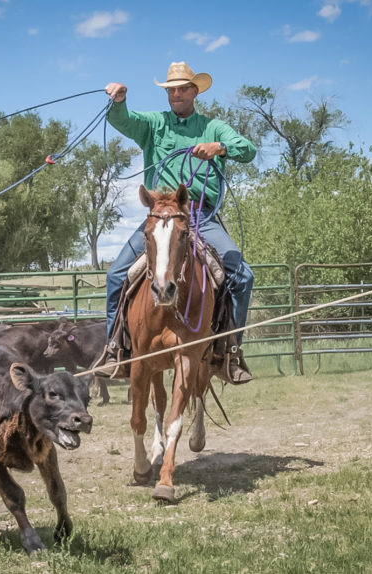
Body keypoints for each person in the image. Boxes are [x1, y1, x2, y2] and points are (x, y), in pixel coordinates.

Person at [93, 61, 257, 384]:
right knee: (115, 275)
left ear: (195, 91)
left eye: (183, 89)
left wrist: (220, 147)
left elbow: (248, 149)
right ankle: (116, 348)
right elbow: (125, 121)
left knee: (242, 275)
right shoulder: (154, 126)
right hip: (159, 216)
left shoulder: (213, 127)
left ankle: (230, 351)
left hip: (199, 215)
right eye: (171, 90)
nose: (176, 94)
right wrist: (119, 101)